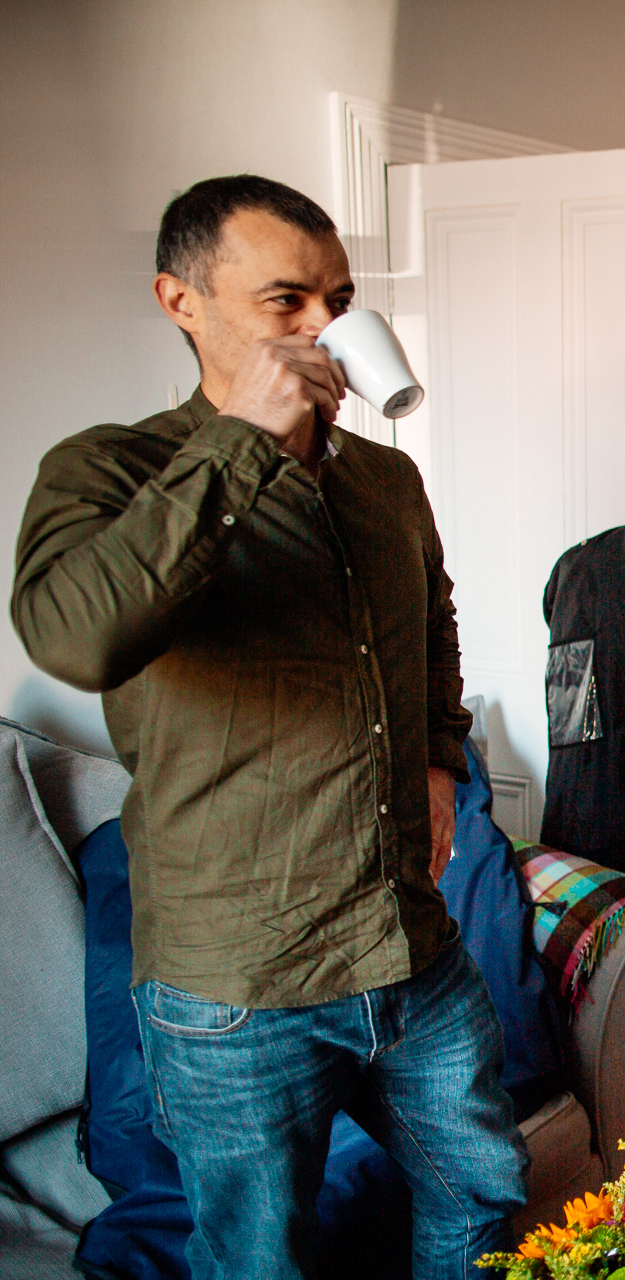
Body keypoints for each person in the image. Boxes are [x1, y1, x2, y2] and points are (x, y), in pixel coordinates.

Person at [10, 175, 525, 1278]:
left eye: (338, 301)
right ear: (181, 299)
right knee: (257, 1259)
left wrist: (440, 757)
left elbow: (432, 617)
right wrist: (245, 434)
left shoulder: (386, 479)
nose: (321, 330)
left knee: (482, 1195)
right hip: (236, 985)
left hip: (411, 948)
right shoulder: (108, 468)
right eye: (285, 300)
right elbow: (73, 633)